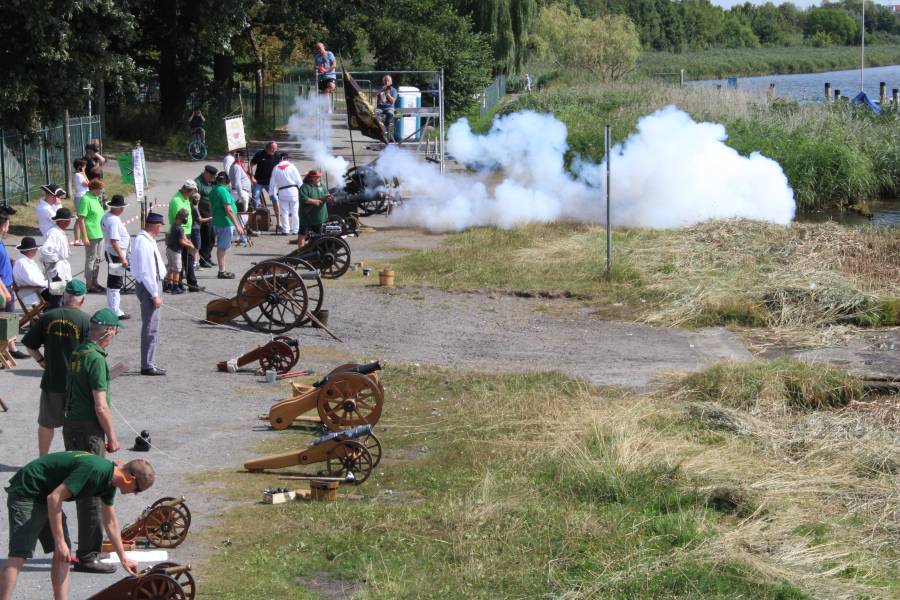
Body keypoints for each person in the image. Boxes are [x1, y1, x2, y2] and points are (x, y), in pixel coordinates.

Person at [0, 452, 155, 600]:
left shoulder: (109, 480)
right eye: (138, 490)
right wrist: (59, 542)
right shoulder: (96, 470)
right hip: (28, 490)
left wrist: (124, 558)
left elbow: (111, 522)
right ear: (130, 478)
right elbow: (54, 498)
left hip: (46, 494)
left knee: (64, 556)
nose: (135, 494)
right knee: (18, 556)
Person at [61, 308, 125, 573]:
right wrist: (111, 436)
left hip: (72, 425)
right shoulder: (96, 359)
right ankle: (88, 554)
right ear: (109, 332)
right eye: (114, 333)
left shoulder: (79, 352)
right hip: (89, 430)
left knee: (81, 487)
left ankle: (83, 548)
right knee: (92, 491)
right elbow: (101, 406)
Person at [22, 280, 90, 456]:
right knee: (76, 425)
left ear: (64, 297)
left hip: (52, 380)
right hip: (77, 383)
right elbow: (92, 353)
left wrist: (41, 361)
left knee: (46, 423)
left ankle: (42, 459)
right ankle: (74, 459)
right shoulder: (85, 321)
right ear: (82, 300)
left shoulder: (48, 316)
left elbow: (29, 344)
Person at [130, 212, 166, 376]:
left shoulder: (145, 240)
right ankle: (147, 364)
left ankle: (149, 362)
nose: (160, 229)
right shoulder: (143, 242)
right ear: (155, 226)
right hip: (149, 286)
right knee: (151, 327)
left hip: (152, 284)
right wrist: (154, 294)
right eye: (160, 226)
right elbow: (146, 272)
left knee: (153, 326)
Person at [167, 180, 203, 292]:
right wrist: (188, 242)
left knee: (183, 260)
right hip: (182, 232)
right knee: (186, 260)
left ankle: (180, 283)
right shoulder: (177, 201)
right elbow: (179, 219)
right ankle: (191, 284)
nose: (193, 194)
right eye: (193, 192)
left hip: (187, 231)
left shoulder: (186, 198)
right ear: (188, 190)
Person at [100, 194, 131, 320]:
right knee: (115, 283)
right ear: (115, 207)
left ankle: (114, 308)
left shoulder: (108, 216)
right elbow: (114, 241)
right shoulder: (113, 220)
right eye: (121, 207)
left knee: (114, 282)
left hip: (113, 253)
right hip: (115, 254)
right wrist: (122, 258)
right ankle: (115, 311)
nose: (123, 209)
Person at [0, 215, 27, 359]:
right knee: (3, 320)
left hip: (8, 285)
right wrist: (5, 291)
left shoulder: (1, 241)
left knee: (11, 319)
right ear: (3, 225)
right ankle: (4, 350)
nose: (8, 227)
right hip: (3, 288)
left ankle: (12, 348)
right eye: (8, 224)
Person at [209, 172, 245, 279]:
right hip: (225, 222)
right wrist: (238, 225)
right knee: (223, 247)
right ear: (226, 181)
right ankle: (222, 270)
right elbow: (229, 210)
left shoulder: (213, 190)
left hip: (218, 221)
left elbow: (211, 206)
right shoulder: (223, 191)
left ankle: (222, 269)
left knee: (222, 246)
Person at [40, 207, 74, 308]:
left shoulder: (58, 231)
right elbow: (45, 250)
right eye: (69, 220)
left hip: (61, 267)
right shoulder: (54, 233)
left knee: (61, 294)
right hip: (57, 270)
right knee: (57, 296)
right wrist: (55, 262)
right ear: (65, 221)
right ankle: (54, 317)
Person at [76, 179, 105, 293]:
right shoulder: (85, 199)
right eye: (100, 189)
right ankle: (89, 284)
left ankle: (95, 281)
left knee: (98, 259)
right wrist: (85, 236)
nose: (102, 191)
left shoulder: (96, 198)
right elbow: (81, 219)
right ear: (94, 188)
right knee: (91, 259)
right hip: (91, 234)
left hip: (99, 233)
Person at [268, 154, 303, 236]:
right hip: (293, 192)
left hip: (282, 193)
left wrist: (271, 193)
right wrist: (303, 191)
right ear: (287, 159)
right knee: (295, 212)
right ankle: (296, 230)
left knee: (284, 212)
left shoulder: (276, 168)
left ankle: (286, 230)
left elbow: (272, 183)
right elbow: (299, 181)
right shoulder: (292, 167)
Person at [250, 141, 281, 231]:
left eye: (276, 148)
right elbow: (251, 165)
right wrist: (251, 177)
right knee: (255, 199)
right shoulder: (259, 154)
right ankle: (254, 222)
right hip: (258, 182)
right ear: (268, 148)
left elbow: (280, 167)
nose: (275, 150)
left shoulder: (277, 156)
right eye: (273, 148)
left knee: (275, 199)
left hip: (271, 183)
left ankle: (278, 223)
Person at [297, 170, 332, 249]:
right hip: (307, 215)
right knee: (302, 234)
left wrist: (328, 198)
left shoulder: (322, 186)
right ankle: (300, 251)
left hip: (319, 217)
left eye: (319, 176)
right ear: (312, 178)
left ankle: (313, 250)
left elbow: (327, 194)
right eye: (317, 177)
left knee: (317, 235)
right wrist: (314, 201)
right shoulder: (305, 187)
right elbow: (303, 198)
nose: (319, 178)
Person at [164, 209, 195, 294]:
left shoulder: (174, 225)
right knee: (177, 270)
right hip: (176, 251)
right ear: (182, 218)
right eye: (186, 217)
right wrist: (190, 246)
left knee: (170, 268)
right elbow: (181, 241)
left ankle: (168, 285)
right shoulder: (180, 228)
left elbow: (184, 238)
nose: (186, 219)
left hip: (169, 249)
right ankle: (175, 287)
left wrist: (189, 242)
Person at [12, 236, 49, 306]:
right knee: (60, 294)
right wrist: (48, 283)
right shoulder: (22, 263)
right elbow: (33, 281)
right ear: (30, 251)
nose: (36, 251)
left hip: (37, 290)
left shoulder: (25, 261)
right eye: (35, 249)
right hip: (34, 293)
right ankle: (52, 312)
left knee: (62, 291)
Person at [194, 165, 218, 267]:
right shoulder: (198, 182)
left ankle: (207, 257)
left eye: (213, 176)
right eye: (211, 176)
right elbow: (194, 201)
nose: (212, 178)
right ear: (206, 173)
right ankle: (203, 260)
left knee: (212, 237)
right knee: (206, 237)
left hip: (212, 213)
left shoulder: (211, 181)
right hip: (203, 214)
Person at [314, 42, 337, 111]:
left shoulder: (329, 54)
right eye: (317, 48)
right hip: (321, 77)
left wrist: (326, 70)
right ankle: (327, 109)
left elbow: (334, 65)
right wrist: (318, 68)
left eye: (320, 48)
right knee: (324, 94)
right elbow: (314, 67)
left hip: (330, 76)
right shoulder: (317, 57)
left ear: (324, 47)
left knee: (330, 86)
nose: (319, 50)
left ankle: (333, 88)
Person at [375, 75, 398, 143]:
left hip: (389, 107)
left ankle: (385, 130)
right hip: (380, 107)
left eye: (388, 80)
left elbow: (393, 101)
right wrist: (381, 90)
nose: (386, 82)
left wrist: (388, 94)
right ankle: (379, 130)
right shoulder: (380, 88)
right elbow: (373, 95)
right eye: (385, 80)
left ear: (391, 82)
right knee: (375, 114)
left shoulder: (393, 90)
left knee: (390, 113)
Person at [71, 160, 89, 245]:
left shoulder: (79, 175)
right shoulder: (78, 175)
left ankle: (81, 238)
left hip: (83, 196)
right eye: (84, 166)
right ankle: (77, 240)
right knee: (80, 219)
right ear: (80, 167)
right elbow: (87, 184)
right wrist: (84, 173)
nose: (85, 168)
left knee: (83, 219)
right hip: (80, 197)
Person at [189, 192, 207, 270]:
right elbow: (200, 220)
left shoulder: (191, 206)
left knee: (194, 246)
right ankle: (194, 263)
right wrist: (211, 218)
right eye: (198, 199)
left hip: (193, 228)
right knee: (196, 247)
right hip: (195, 228)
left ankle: (194, 262)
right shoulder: (195, 208)